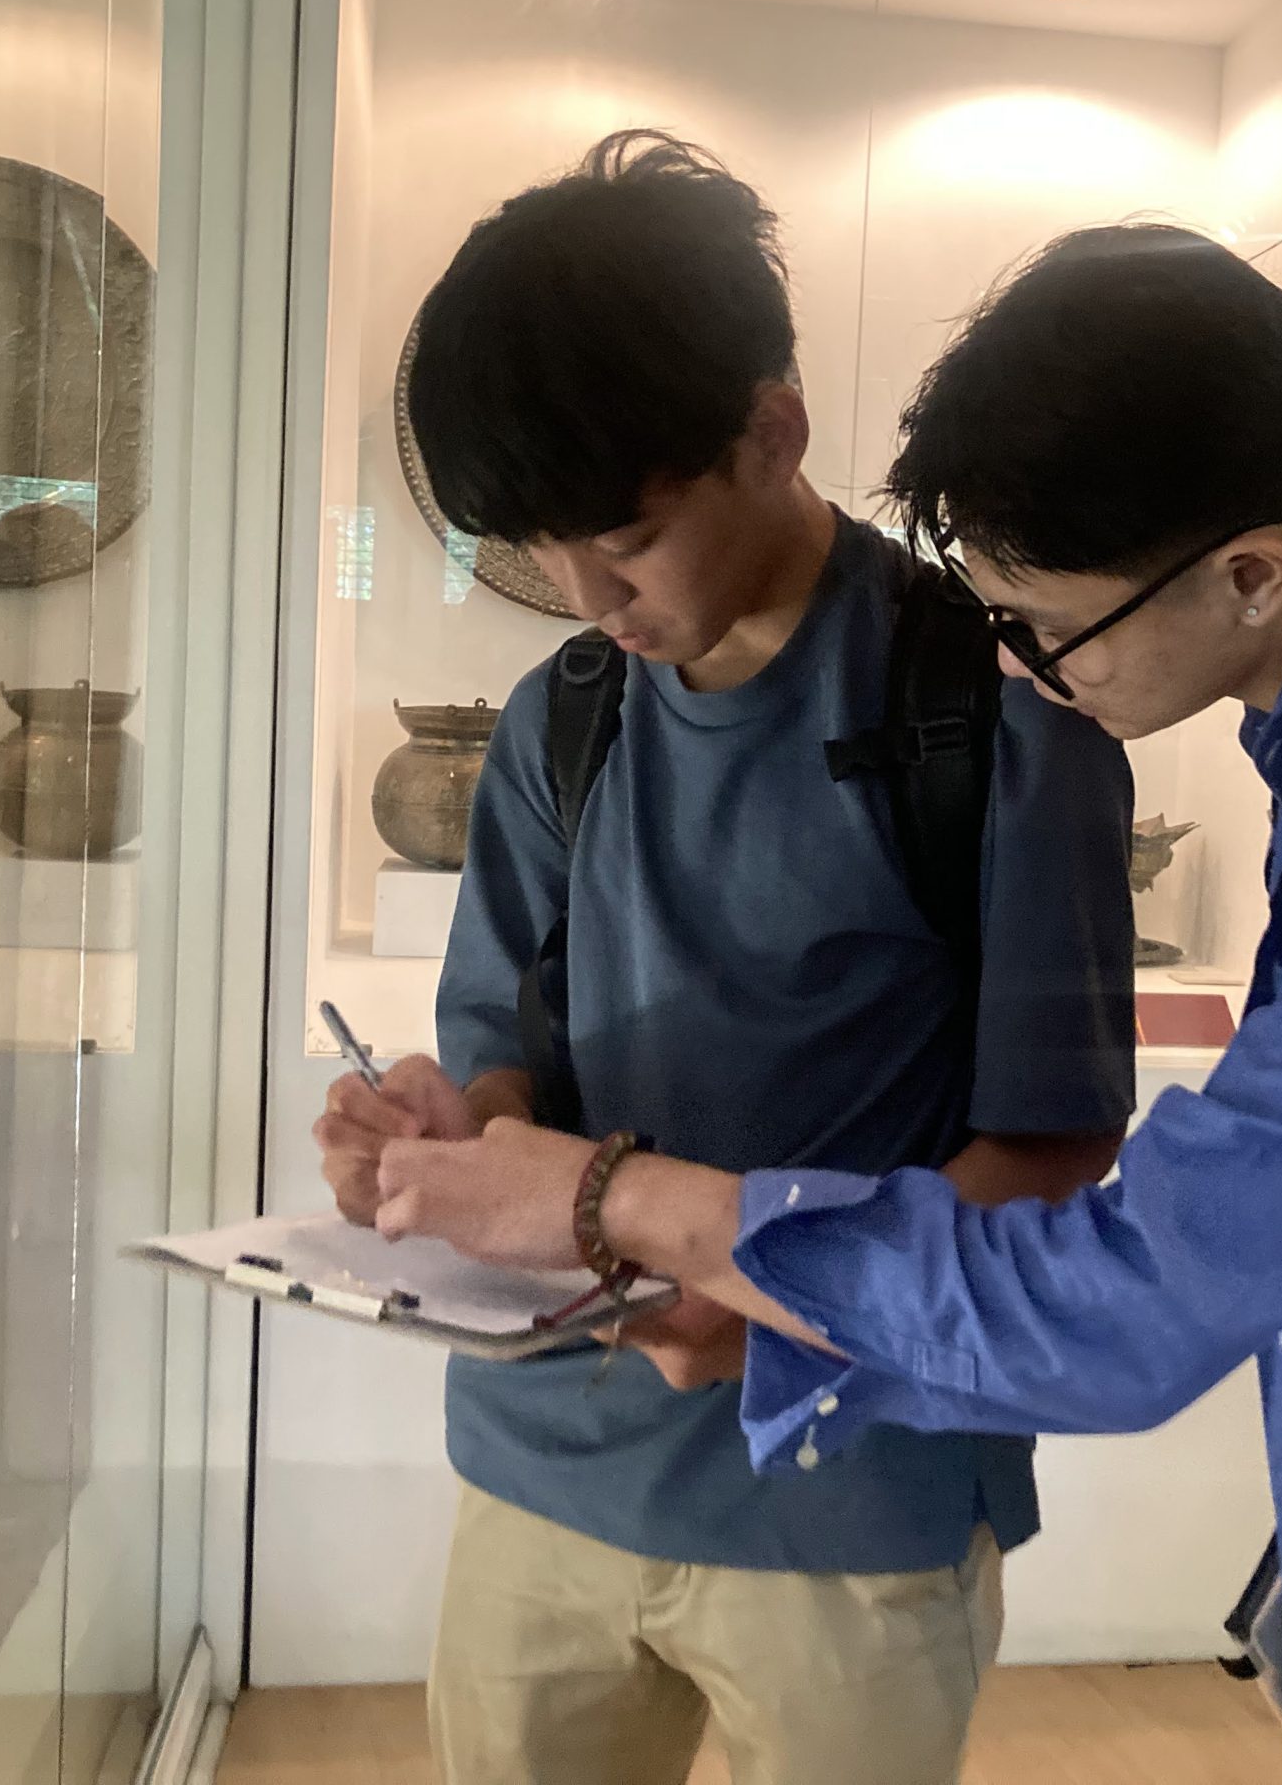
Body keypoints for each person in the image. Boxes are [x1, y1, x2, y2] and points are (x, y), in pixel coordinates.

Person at [359, 226, 1282, 1785]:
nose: (1023, 672)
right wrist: (516, 1161)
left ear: (1250, 574)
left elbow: (1138, 1289)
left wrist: (625, 1205)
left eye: (1041, 625)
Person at [314, 134, 1138, 1785]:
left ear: (773, 430)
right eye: (536, 546)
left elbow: (1053, 1153)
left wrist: (764, 1312)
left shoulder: (989, 715)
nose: (584, 593)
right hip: (548, 1463)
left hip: (853, 1492)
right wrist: (442, 1134)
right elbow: (506, 1056)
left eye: (625, 534)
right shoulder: (564, 716)